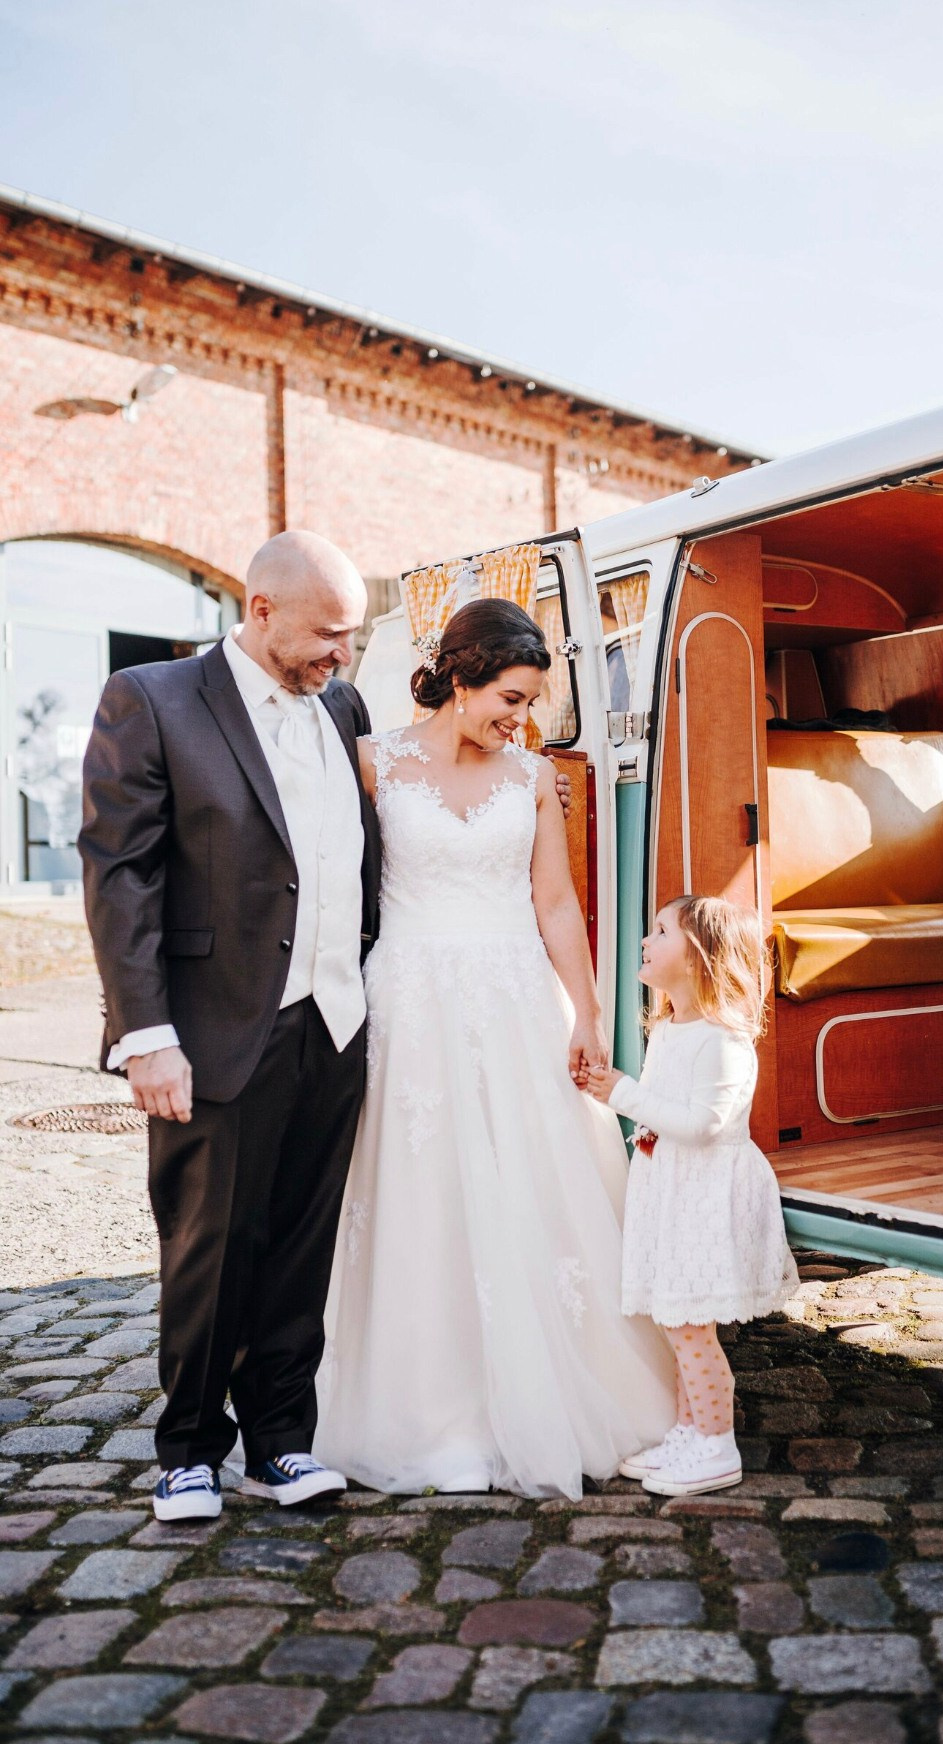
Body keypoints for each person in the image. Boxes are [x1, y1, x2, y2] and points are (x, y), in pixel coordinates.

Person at [316, 598, 675, 1497]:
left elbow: (555, 904)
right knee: (420, 1193)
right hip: (413, 999)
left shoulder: (530, 777)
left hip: (520, 998)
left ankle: (562, 1389)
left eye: (529, 703)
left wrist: (589, 1016)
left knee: (538, 1187)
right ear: (460, 673)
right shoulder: (370, 764)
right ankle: (428, 1408)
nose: (520, 719)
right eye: (510, 697)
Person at [79, 532, 385, 1521]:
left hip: (334, 1020)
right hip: (214, 1026)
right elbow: (122, 873)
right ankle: (188, 1449)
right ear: (260, 609)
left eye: (351, 636)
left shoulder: (342, 704)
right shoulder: (153, 700)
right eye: (326, 632)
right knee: (211, 1243)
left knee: (303, 1243)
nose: (340, 654)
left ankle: (281, 1444)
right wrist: (144, 1032)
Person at [585, 895, 799, 1498]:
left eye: (661, 932)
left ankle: (716, 1443)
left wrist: (623, 1095)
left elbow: (706, 1123)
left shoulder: (723, 1038)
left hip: (706, 1195)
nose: (646, 942)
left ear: (701, 956)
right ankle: (687, 1429)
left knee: (690, 1329)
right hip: (673, 1189)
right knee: (675, 1320)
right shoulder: (671, 1029)